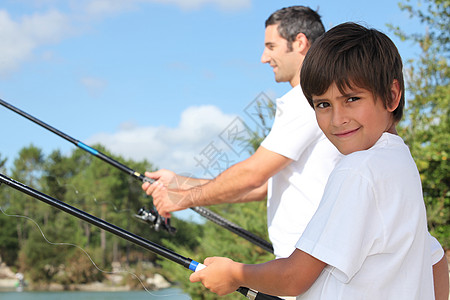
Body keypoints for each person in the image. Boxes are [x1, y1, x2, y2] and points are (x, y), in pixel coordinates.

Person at [189, 22, 449, 299]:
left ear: (392, 95)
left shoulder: (358, 170)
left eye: (351, 98)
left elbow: (293, 277)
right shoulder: (401, 165)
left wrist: (233, 274)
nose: (338, 119)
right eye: (323, 104)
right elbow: (435, 260)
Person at [142, 5, 342, 260]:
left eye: (271, 46)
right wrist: (178, 183)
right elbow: (263, 187)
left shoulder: (307, 100)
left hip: (312, 265)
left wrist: (182, 200)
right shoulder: (312, 99)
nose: (263, 57)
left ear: (300, 42)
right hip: (303, 263)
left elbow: (252, 175)